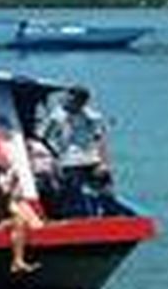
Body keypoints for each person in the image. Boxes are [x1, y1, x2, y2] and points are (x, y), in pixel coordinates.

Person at [40, 86, 115, 217]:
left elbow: (100, 140)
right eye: (69, 98)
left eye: (77, 100)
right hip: (68, 161)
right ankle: (71, 217)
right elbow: (43, 138)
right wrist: (54, 160)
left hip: (91, 159)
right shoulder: (56, 117)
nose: (69, 101)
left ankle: (109, 216)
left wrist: (104, 163)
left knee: (105, 189)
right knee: (71, 193)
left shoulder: (93, 117)